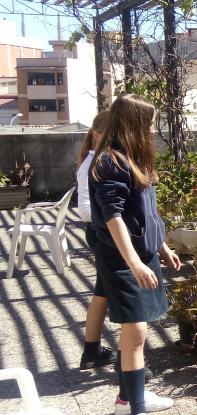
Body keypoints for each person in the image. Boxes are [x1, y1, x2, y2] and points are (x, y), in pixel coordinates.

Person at [90, 94, 181, 415]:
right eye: (150, 124)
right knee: (137, 332)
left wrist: (162, 247)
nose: (153, 130)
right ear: (133, 124)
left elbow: (146, 212)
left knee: (135, 333)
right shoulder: (110, 162)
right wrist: (134, 262)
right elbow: (113, 217)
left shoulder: (133, 159)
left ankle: (128, 398)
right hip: (123, 260)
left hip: (142, 255)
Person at [77, 111, 114, 370]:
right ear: (97, 135)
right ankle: (128, 360)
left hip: (103, 231)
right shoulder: (92, 165)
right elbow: (84, 210)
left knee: (102, 291)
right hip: (102, 234)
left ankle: (91, 351)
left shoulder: (99, 161)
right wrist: (112, 217)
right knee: (113, 291)